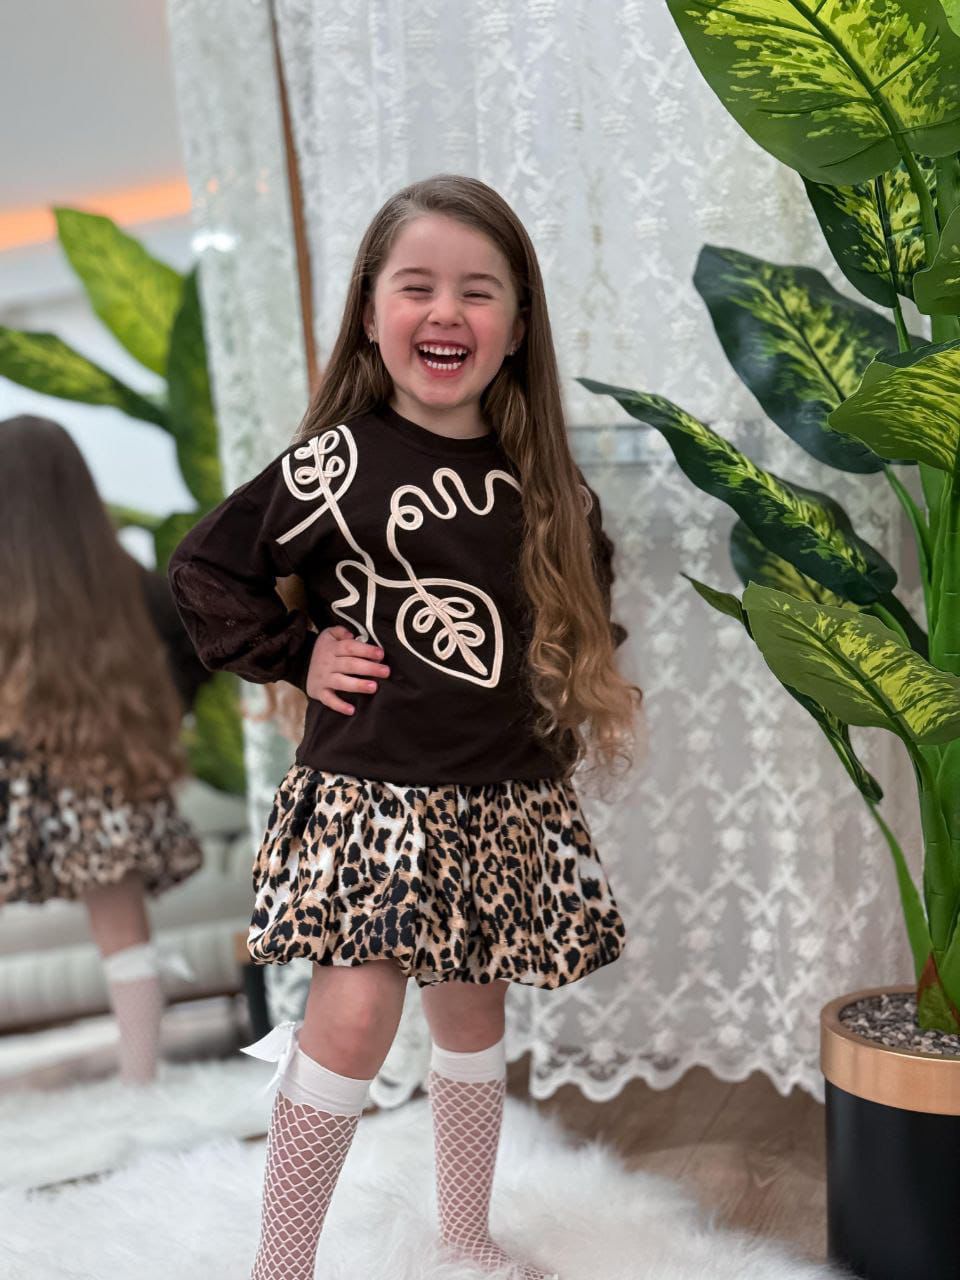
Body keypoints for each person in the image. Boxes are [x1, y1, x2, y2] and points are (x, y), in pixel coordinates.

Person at [168, 173, 642, 1280]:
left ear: (517, 323)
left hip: (498, 797)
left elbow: (581, 601)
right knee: (351, 1016)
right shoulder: (334, 463)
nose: (446, 311)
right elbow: (206, 570)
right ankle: (281, 1263)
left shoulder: (546, 482)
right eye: (417, 285)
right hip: (372, 796)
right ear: (371, 310)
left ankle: (466, 1234)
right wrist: (299, 652)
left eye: (479, 291)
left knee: (472, 1014)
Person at [0, 414, 206, 1085]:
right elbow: (195, 644)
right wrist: (167, 712)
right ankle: (141, 1080)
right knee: (124, 933)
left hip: (20, 783)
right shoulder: (126, 579)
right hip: (102, 780)